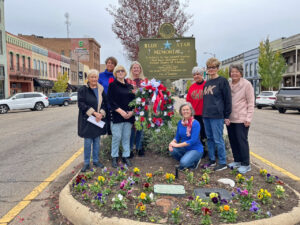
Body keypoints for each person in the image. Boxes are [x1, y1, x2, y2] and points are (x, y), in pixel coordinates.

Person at [202, 57, 232, 171]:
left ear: (217, 68)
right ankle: (212, 160)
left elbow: (227, 99)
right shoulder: (207, 83)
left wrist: (227, 115)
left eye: (213, 67)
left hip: (217, 115)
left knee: (218, 139)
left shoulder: (222, 81)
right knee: (209, 138)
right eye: (209, 67)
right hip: (207, 115)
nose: (211, 69)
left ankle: (223, 162)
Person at [227, 64, 254, 174]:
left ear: (241, 73)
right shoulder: (229, 85)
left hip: (242, 119)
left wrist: (249, 118)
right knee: (233, 140)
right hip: (230, 118)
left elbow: (251, 102)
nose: (234, 74)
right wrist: (226, 117)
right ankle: (237, 160)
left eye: (236, 71)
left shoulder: (246, 84)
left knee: (241, 141)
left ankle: (246, 164)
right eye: (232, 72)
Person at [78, 69, 107, 172]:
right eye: (92, 77)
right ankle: (86, 163)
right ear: (88, 78)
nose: (94, 79)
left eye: (95, 77)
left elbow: (104, 104)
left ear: (97, 78)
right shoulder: (83, 89)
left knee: (97, 141)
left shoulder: (101, 89)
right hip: (87, 120)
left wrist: (101, 114)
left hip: (97, 120)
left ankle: (95, 161)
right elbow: (81, 104)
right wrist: (94, 113)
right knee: (87, 142)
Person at [107, 65, 135, 168]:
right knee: (117, 137)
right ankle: (114, 157)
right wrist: (121, 111)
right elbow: (110, 101)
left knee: (126, 137)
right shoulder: (112, 85)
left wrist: (132, 112)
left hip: (129, 116)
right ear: (115, 73)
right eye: (118, 71)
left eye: (122, 71)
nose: (120, 72)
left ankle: (125, 156)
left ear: (125, 72)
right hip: (117, 115)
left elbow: (134, 101)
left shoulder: (130, 86)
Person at [169, 102, 203, 170]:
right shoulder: (180, 123)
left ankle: (194, 161)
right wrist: (171, 143)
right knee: (172, 150)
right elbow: (177, 137)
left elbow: (193, 140)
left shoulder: (195, 123)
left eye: (187, 109)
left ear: (191, 111)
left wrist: (177, 145)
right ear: (181, 112)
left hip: (195, 149)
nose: (185, 111)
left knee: (183, 163)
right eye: (183, 110)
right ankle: (188, 160)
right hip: (184, 148)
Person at [126, 61, 147, 157]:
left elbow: (148, 94)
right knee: (131, 129)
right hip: (131, 107)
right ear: (131, 69)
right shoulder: (127, 80)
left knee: (140, 128)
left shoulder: (145, 81)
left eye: (138, 67)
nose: (136, 69)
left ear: (140, 69)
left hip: (142, 108)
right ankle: (130, 149)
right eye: (134, 68)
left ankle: (139, 148)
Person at [186, 67, 207, 156]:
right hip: (194, 115)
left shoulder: (207, 85)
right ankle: (198, 151)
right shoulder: (191, 87)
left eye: (198, 74)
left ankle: (205, 151)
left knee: (204, 134)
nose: (196, 76)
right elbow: (188, 102)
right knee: (195, 134)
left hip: (205, 114)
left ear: (202, 74)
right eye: (194, 75)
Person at [98, 56, 118, 135]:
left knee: (113, 127)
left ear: (115, 65)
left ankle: (111, 144)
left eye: (112, 63)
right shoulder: (100, 76)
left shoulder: (117, 76)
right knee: (104, 127)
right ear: (106, 64)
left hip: (115, 105)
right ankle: (105, 144)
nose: (110, 64)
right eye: (108, 63)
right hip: (104, 105)